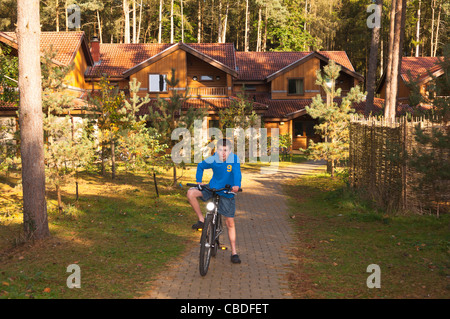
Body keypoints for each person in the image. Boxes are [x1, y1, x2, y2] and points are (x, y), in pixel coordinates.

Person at [187, 138, 242, 264]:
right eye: (220, 150)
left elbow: (237, 174)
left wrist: (236, 185)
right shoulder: (213, 159)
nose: (223, 153)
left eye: (225, 150)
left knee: (230, 223)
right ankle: (201, 219)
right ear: (216, 150)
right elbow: (200, 166)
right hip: (212, 188)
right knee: (190, 193)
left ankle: (234, 252)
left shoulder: (233, 160)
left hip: (227, 191)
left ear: (230, 151)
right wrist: (199, 181)